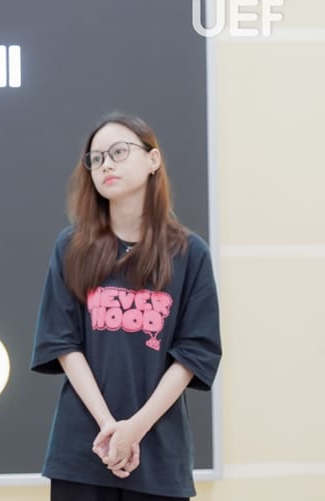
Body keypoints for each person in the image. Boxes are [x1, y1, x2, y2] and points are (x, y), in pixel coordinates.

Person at [30, 112, 222, 501]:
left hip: (159, 455)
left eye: (118, 152)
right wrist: (108, 427)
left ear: (153, 160)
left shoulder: (189, 253)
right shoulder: (72, 247)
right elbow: (64, 343)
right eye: (96, 158)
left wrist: (134, 429)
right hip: (82, 450)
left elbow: (193, 352)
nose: (106, 165)